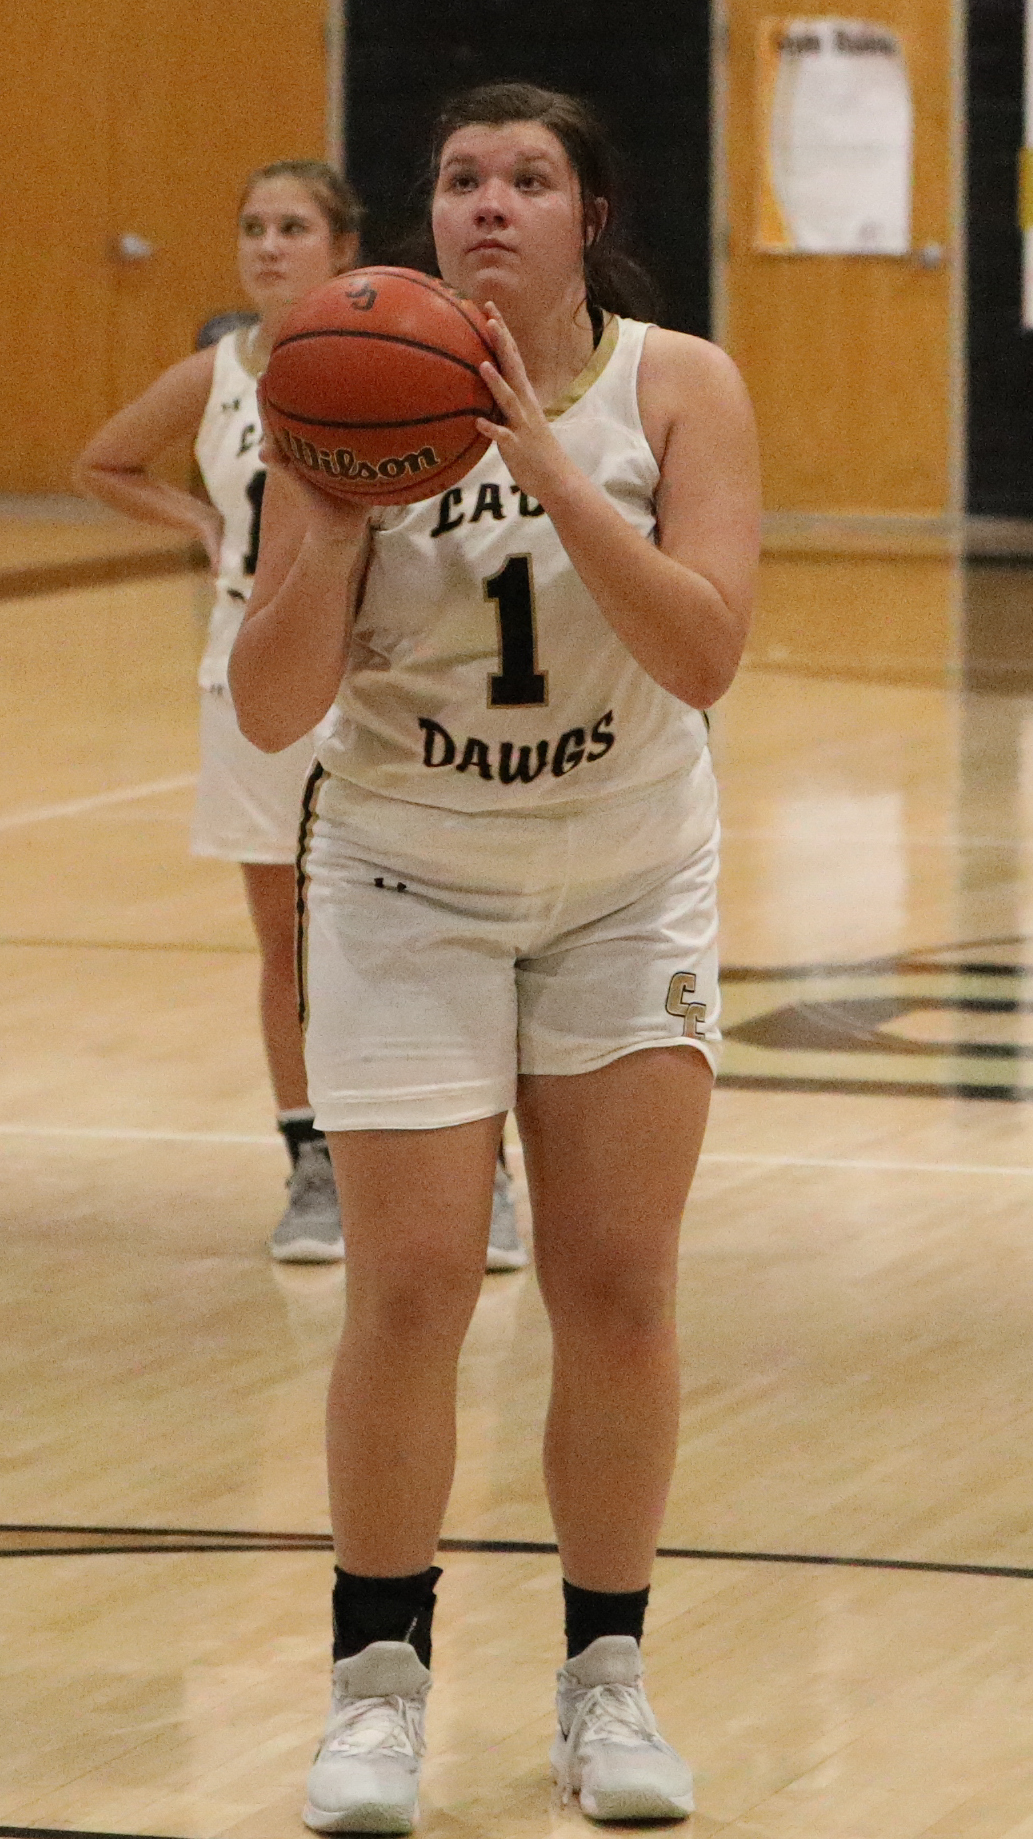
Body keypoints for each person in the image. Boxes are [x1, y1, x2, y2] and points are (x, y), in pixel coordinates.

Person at [230, 82, 759, 1830]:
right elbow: (271, 707)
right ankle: (375, 1690)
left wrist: (549, 469)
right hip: (407, 876)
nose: (488, 203)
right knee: (410, 1283)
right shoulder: (337, 382)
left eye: (529, 178)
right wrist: (330, 524)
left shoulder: (675, 386)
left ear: (585, 218)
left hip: (626, 876)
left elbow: (703, 654)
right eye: (462, 177)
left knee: (615, 1283)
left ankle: (606, 1678)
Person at [73, 158, 527, 1271]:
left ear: (342, 247)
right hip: (257, 663)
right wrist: (202, 524)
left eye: (291, 228)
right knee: (286, 935)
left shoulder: (409, 352)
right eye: (253, 228)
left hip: (380, 672)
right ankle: (310, 1158)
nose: (268, 247)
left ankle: (484, 1170)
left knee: (436, 918)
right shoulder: (218, 373)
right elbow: (103, 462)